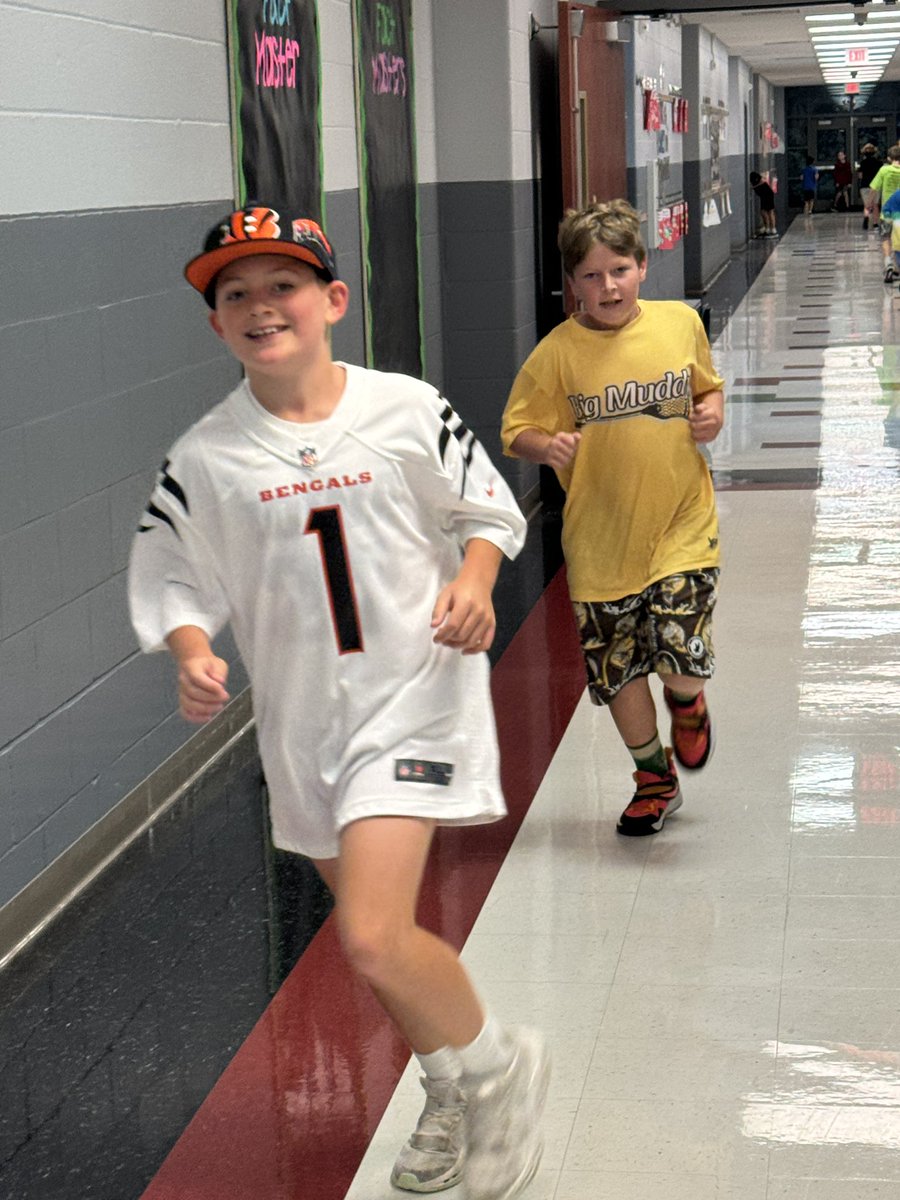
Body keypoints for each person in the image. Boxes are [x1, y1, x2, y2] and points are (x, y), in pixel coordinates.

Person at [128, 204, 550, 1200]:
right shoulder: (205, 458)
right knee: (384, 948)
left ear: (333, 301)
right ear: (215, 324)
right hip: (303, 725)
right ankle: (449, 1084)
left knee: (368, 931)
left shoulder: (404, 407)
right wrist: (191, 650)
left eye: (283, 286)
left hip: (415, 697)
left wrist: (479, 581)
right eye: (236, 293)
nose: (261, 306)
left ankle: (499, 1069)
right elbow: (173, 577)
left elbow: (485, 508)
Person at [500, 200, 724, 838]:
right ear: (572, 283)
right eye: (591, 277)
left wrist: (712, 412)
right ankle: (654, 781)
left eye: (619, 270)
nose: (608, 287)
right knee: (619, 669)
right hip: (600, 543)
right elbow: (516, 430)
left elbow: (706, 386)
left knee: (680, 656)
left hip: (682, 524)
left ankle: (687, 699)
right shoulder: (557, 354)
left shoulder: (680, 324)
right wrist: (547, 446)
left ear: (643, 267)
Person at [870, 144, 900, 281]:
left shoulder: (884, 170)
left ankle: (888, 263)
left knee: (886, 238)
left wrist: (869, 204)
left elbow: (874, 188)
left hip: (887, 213)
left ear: (889, 158)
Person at [858, 142, 882, 230]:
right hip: (875, 186)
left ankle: (866, 217)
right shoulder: (879, 163)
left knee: (867, 204)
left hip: (864, 185)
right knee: (875, 204)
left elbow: (860, 175)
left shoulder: (863, 163)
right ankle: (875, 223)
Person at [749, 171, 777, 236]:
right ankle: (767, 227)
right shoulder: (753, 180)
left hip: (767, 194)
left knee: (770, 211)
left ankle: (772, 228)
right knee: (763, 212)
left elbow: (763, 181)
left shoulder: (756, 177)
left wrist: (754, 187)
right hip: (763, 195)